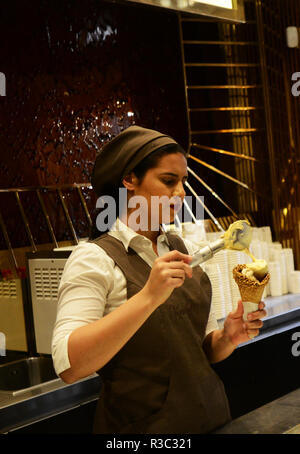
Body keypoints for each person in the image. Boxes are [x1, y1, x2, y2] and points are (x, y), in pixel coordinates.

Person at [51, 125, 266, 434]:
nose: (180, 194)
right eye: (168, 181)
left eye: (183, 182)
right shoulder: (94, 259)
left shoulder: (185, 249)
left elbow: (200, 350)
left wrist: (227, 338)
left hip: (211, 417)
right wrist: (149, 296)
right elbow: (69, 366)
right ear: (129, 180)